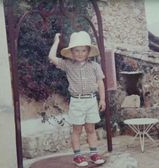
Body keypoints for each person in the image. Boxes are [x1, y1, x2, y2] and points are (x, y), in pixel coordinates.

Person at [48, 31, 106, 167]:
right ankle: (77, 156)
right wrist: (56, 41)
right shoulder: (67, 64)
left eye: (83, 50)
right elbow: (51, 57)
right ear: (72, 52)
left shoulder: (95, 66)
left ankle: (94, 153)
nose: (80, 53)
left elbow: (100, 83)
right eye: (77, 51)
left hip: (91, 101)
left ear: (88, 51)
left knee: (91, 129)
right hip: (77, 101)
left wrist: (102, 99)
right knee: (77, 130)